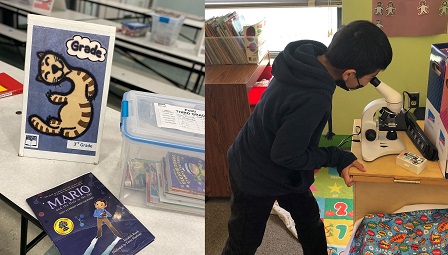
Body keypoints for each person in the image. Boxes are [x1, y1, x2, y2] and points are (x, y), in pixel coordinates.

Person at [222, 20, 393, 255]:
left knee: (310, 221)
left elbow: (290, 146)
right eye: (370, 78)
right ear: (349, 74)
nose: (368, 83)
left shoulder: (307, 60)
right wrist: (335, 155)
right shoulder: (313, 97)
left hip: (284, 168)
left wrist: (338, 158)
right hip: (255, 174)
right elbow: (286, 154)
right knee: (244, 242)